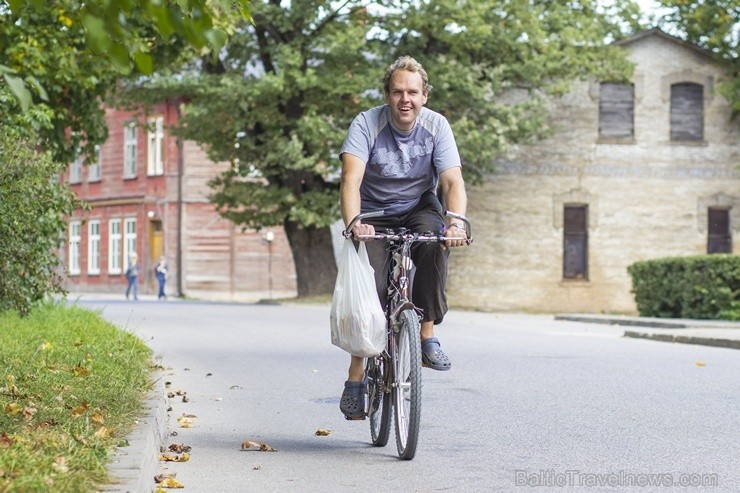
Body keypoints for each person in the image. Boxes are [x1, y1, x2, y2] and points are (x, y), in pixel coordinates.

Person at [338, 55, 468, 420]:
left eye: (412, 92)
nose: (405, 99)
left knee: (434, 242)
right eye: (397, 92)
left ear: (425, 95)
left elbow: (452, 181)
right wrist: (355, 223)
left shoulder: (437, 126)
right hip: (373, 211)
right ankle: (356, 376)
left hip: (418, 206)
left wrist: (455, 224)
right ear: (387, 95)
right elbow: (350, 181)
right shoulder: (366, 123)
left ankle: (426, 336)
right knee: (372, 289)